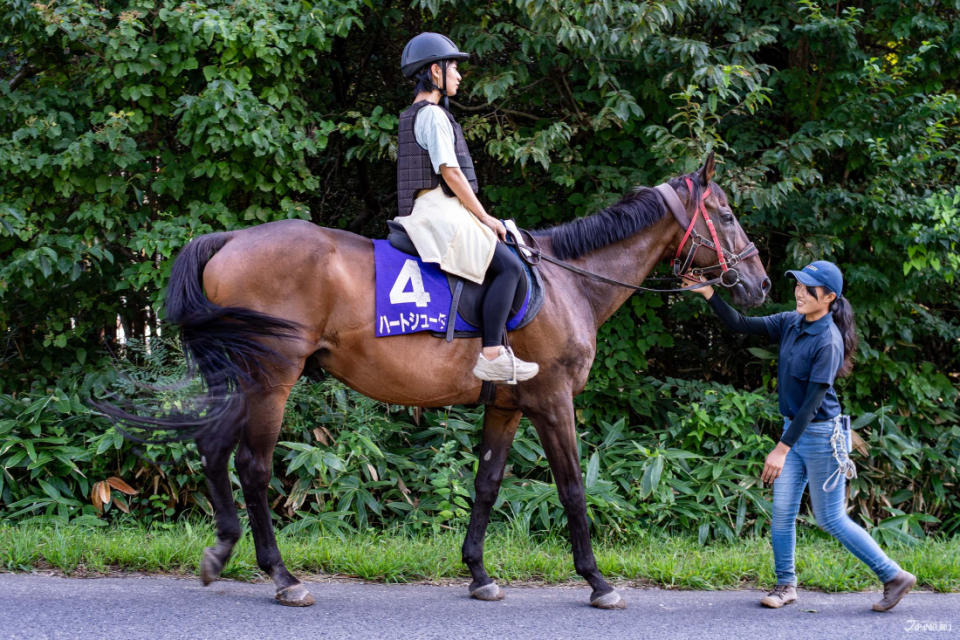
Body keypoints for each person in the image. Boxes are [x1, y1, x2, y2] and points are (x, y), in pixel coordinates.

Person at [683, 261, 915, 611]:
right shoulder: (791, 322)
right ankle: (785, 585)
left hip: (822, 436)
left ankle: (894, 575)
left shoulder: (828, 340)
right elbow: (740, 324)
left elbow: (812, 402)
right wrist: (709, 293)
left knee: (830, 518)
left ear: (830, 297)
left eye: (809, 288)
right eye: (798, 285)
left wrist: (780, 449)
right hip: (794, 432)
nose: (799, 292)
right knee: (782, 514)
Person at [394, 32, 538, 384]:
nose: (459, 74)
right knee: (510, 268)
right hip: (440, 211)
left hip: (431, 208)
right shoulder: (433, 115)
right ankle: (491, 354)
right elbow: (451, 172)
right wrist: (485, 218)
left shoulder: (415, 114)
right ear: (435, 71)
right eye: (454, 67)